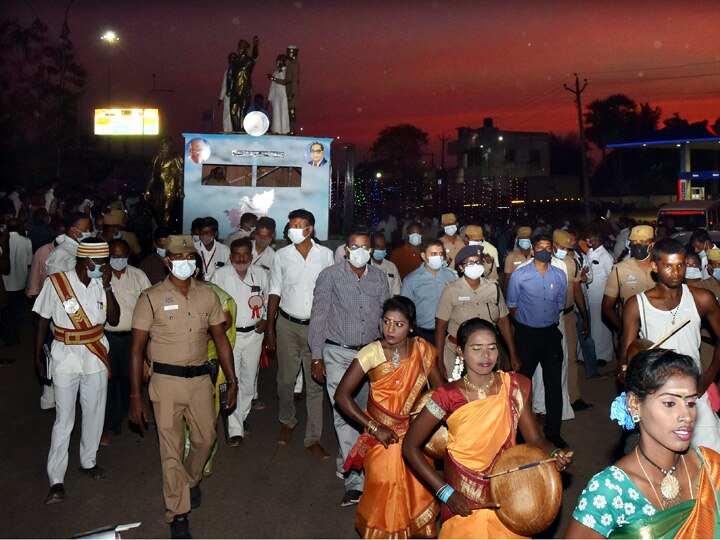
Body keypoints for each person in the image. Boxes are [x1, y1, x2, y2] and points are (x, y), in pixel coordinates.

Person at [403, 318, 573, 538]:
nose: (486, 355)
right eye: (476, 348)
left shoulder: (512, 386)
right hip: (463, 493)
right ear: (461, 352)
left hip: (507, 489)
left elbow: (535, 438)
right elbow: (409, 446)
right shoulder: (447, 396)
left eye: (492, 348)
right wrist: (446, 493)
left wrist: (553, 453)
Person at [128, 235, 238, 539]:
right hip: (165, 383)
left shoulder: (208, 296)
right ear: (167, 261)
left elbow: (219, 339)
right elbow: (136, 349)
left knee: (206, 439)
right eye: (178, 258)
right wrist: (135, 395)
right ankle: (178, 513)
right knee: (171, 449)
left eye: (190, 257)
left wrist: (232, 379)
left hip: (202, 380)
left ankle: (189, 481)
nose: (185, 263)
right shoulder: (149, 298)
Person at [566, 349, 720, 538]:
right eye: (670, 403)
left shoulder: (711, 468)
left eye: (690, 403)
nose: (686, 416)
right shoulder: (609, 490)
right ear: (634, 404)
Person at [335, 297, 444, 537]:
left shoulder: (423, 352)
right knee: (385, 489)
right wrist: (374, 428)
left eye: (399, 324)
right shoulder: (371, 352)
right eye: (386, 322)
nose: (390, 330)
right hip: (382, 437)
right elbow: (341, 396)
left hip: (415, 435)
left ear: (411, 327)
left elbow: (441, 393)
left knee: (417, 491)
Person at [33, 239, 120, 504]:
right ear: (85, 261)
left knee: (94, 411)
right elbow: (43, 319)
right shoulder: (57, 283)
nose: (104, 267)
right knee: (64, 418)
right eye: (100, 262)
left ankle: (88, 460)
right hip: (65, 355)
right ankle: (56, 479)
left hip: (94, 354)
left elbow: (114, 318)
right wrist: (37, 354)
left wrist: (106, 286)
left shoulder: (100, 284)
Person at [309, 227, 391, 505]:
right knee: (344, 414)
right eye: (354, 247)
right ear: (346, 250)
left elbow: (385, 317)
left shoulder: (379, 278)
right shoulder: (329, 276)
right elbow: (318, 317)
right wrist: (317, 356)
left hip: (370, 354)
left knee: (366, 412)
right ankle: (355, 480)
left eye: (365, 248)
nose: (359, 253)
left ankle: (349, 458)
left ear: (370, 251)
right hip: (337, 353)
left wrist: (389, 351)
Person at [621, 238, 720, 452]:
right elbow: (626, 357)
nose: (676, 272)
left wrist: (709, 376)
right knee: (664, 465)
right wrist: (625, 375)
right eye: (668, 266)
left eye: (681, 265)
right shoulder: (636, 305)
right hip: (657, 395)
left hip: (695, 393)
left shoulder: (702, 298)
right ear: (655, 267)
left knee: (712, 457)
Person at [266, 209, 334, 452]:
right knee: (285, 380)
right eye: (291, 224)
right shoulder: (281, 255)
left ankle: (313, 437)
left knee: (315, 382)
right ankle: (287, 420)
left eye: (299, 225)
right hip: (287, 324)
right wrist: (270, 328)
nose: (293, 228)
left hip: (317, 327)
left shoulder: (325, 255)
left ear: (310, 229)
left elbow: (331, 292)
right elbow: (274, 290)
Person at [507, 233, 569, 448]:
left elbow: (560, 304)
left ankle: (553, 433)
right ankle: (522, 434)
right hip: (527, 335)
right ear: (532, 250)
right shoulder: (520, 275)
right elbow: (512, 306)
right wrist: (526, 323)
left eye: (548, 247)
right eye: (540, 247)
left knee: (554, 386)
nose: (545, 250)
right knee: (523, 387)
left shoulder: (560, 275)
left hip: (550, 334)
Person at [210, 238, 268, 446]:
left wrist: (266, 319)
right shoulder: (220, 275)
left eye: (245, 254)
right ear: (230, 256)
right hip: (230, 336)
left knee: (248, 381)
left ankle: (240, 418)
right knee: (231, 378)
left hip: (254, 335)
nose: (241, 258)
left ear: (251, 257)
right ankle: (235, 429)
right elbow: (213, 303)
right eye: (237, 254)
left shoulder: (261, 274)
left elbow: (269, 300)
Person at [435, 245, 520, 378]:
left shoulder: (493, 289)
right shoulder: (451, 290)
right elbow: (440, 327)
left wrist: (513, 354)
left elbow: (503, 322)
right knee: (459, 394)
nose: (476, 266)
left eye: (478, 262)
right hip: (457, 354)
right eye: (470, 263)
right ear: (461, 267)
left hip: (486, 353)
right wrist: (439, 361)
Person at [100, 239, 151, 446]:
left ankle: (123, 414)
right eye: (113, 255)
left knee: (128, 380)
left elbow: (149, 305)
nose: (117, 260)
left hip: (132, 337)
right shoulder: (100, 277)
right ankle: (110, 425)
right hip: (108, 337)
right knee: (109, 382)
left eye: (121, 256)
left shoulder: (138, 276)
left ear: (128, 255)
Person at [602, 225, 655, 362]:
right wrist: (623, 329)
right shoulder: (620, 269)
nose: (638, 245)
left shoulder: (661, 267)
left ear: (652, 244)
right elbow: (607, 306)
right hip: (631, 332)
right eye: (634, 242)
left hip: (658, 330)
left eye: (643, 242)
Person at [401, 239, 456, 345]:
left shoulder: (450, 276)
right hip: (423, 334)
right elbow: (405, 310)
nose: (438, 257)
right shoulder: (411, 280)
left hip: (448, 332)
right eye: (433, 254)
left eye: (440, 254)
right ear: (423, 256)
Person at [1, 217, 32, 345]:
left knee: (6, 312)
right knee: (15, 309)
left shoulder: (2, 241)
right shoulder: (26, 241)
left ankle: (9, 334)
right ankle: (13, 334)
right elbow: (29, 262)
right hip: (19, 282)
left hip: (4, 283)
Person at [586, 230, 614, 366]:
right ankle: (591, 354)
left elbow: (611, 277)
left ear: (598, 239)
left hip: (600, 297)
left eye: (591, 238)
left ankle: (602, 355)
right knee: (592, 327)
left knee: (601, 327)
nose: (588, 240)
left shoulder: (606, 256)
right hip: (589, 297)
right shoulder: (590, 252)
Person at [145, 137, 185, 230]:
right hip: (157, 188)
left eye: (165, 145)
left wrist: (180, 190)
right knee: (156, 208)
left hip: (169, 188)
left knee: (167, 209)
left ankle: (165, 229)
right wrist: (147, 189)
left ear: (169, 146)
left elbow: (178, 175)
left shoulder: (175, 158)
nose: (163, 147)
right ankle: (160, 227)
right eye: (161, 145)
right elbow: (152, 175)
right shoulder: (156, 157)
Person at [227, 36, 259, 132]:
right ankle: (235, 130)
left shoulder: (249, 61)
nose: (239, 49)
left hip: (245, 90)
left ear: (245, 49)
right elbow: (229, 75)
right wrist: (228, 88)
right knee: (233, 111)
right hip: (235, 90)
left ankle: (242, 130)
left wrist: (256, 45)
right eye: (239, 47)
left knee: (243, 111)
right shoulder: (235, 61)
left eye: (241, 47)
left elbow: (255, 56)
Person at [194, 217, 230, 282]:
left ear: (215, 233)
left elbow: (228, 273)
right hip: (197, 286)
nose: (204, 236)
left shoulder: (225, 251)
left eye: (208, 233)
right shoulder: (193, 248)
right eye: (202, 233)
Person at [502, 226, 532, 297]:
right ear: (518, 240)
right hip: (516, 295)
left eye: (527, 238)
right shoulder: (511, 257)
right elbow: (506, 281)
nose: (525, 240)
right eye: (523, 238)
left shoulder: (535, 255)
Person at [370, 232, 401, 296]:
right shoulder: (365, 266)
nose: (381, 249)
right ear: (371, 248)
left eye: (383, 247)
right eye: (377, 247)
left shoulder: (391, 266)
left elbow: (397, 292)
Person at [267, 54, 290, 135]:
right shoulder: (275, 73)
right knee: (276, 114)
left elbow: (285, 81)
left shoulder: (287, 71)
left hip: (284, 97)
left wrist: (279, 72)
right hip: (276, 97)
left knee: (284, 115)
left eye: (279, 61)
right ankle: (277, 131)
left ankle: (285, 132)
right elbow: (272, 87)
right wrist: (270, 98)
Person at [217, 52, 237, 132]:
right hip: (228, 96)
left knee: (235, 113)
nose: (232, 60)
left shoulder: (239, 71)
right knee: (226, 113)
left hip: (236, 95)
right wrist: (220, 98)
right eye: (230, 59)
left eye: (233, 58)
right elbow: (224, 85)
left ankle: (234, 130)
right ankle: (226, 130)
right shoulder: (226, 72)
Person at [285, 45, 300, 134]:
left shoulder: (293, 64)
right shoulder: (292, 64)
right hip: (290, 91)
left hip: (291, 92)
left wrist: (292, 93)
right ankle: (291, 130)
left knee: (292, 112)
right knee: (290, 112)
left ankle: (292, 130)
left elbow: (294, 80)